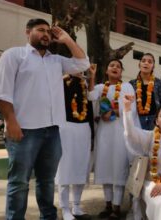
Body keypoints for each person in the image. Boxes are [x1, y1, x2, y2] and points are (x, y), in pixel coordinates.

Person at [0, 18, 89, 219]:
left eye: (48, 31)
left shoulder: (56, 60)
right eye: (40, 30)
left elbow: (83, 63)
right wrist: (11, 122)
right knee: (19, 182)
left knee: (46, 182)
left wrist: (67, 40)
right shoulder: (14, 55)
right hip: (23, 131)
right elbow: (2, 93)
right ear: (28, 32)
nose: (46, 34)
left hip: (52, 131)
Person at [88, 59, 140, 219]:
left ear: (121, 71)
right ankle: (108, 205)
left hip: (120, 131)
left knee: (118, 167)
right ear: (107, 71)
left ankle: (117, 208)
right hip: (104, 133)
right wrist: (92, 76)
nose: (115, 68)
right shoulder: (100, 87)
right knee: (105, 167)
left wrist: (115, 113)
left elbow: (132, 109)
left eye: (118, 66)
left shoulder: (127, 87)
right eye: (112, 65)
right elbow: (90, 96)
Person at [123, 96, 161, 220]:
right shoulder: (149, 137)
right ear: (156, 121)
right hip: (150, 182)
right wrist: (127, 108)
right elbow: (130, 133)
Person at [55, 69, 94, 220]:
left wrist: (92, 136)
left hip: (84, 127)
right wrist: (68, 75)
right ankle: (65, 209)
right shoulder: (62, 81)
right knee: (65, 168)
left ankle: (76, 206)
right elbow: (51, 88)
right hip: (66, 126)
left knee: (81, 167)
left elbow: (90, 109)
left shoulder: (85, 84)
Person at [130, 53, 161, 130]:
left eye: (150, 62)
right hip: (136, 120)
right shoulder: (131, 84)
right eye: (143, 61)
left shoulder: (160, 83)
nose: (146, 63)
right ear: (139, 64)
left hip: (155, 121)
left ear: (153, 66)